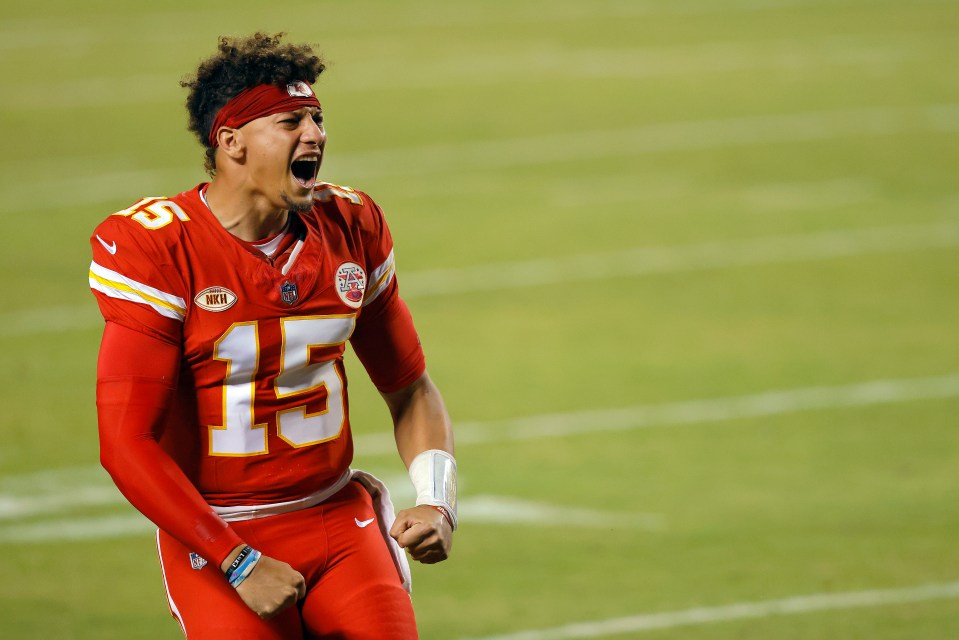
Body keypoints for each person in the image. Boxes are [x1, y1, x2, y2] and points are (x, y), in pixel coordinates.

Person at [88, 32, 456, 639]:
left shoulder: (351, 224)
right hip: (219, 532)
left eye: (316, 118)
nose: (315, 134)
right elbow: (126, 440)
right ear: (230, 141)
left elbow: (409, 387)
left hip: (338, 518)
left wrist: (437, 498)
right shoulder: (158, 245)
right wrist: (235, 560)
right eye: (290, 121)